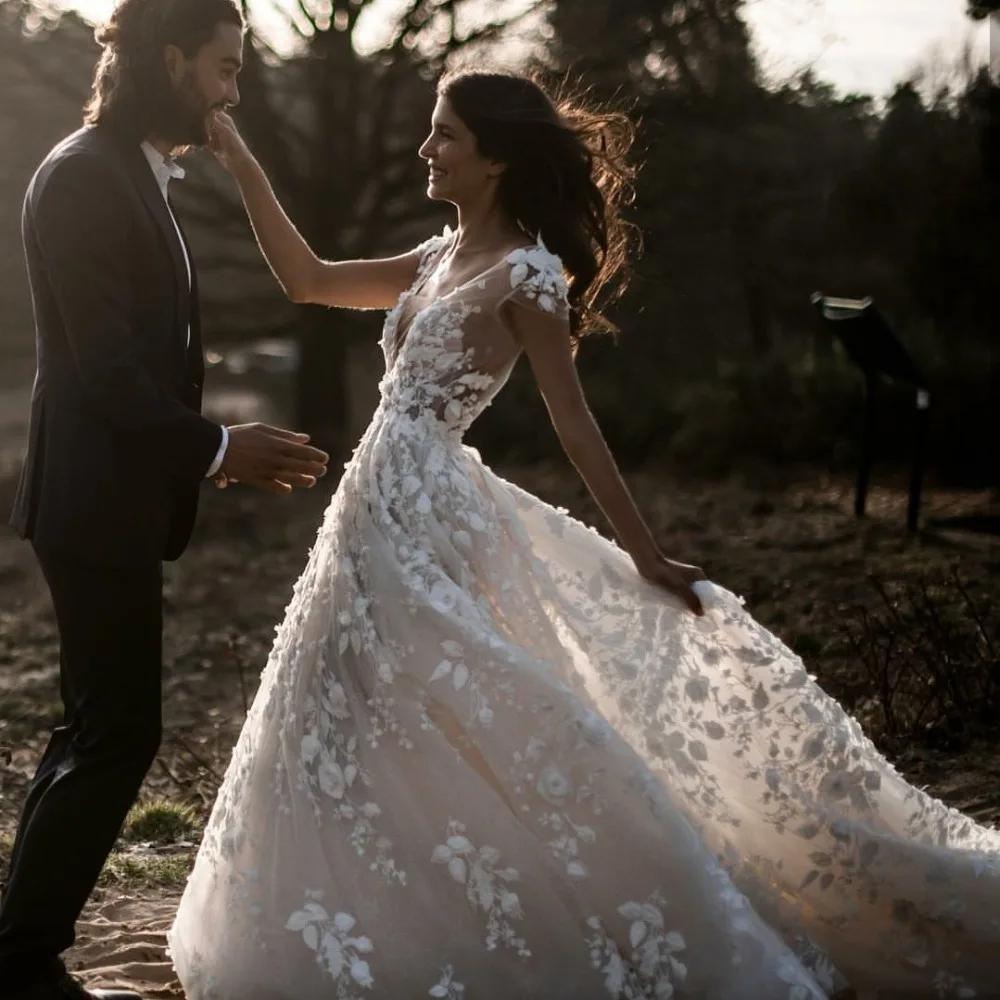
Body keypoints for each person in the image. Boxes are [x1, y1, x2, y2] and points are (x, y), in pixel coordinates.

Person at [168, 71, 1000, 999]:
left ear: (498, 156)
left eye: (444, 136)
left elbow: (574, 424)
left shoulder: (528, 274)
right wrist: (239, 157)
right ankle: (363, 918)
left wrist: (644, 552)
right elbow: (310, 280)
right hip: (368, 510)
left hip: (433, 514)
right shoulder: (436, 256)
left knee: (472, 710)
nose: (424, 151)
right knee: (348, 707)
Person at [0, 2, 330, 998]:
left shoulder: (134, 169)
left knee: (92, 726)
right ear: (173, 59)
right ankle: (22, 961)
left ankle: (18, 946)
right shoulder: (84, 177)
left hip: (110, 498)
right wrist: (221, 447)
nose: (235, 89)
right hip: (92, 498)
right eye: (224, 68)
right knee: (115, 732)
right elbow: (102, 370)